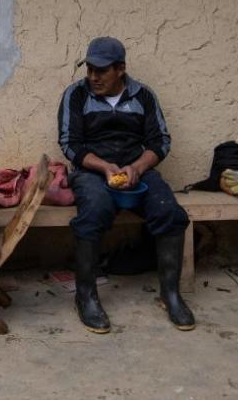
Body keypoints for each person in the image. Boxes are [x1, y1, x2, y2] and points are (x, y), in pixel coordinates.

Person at [57, 36, 195, 333]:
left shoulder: (143, 96)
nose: (93, 77)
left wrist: (137, 167)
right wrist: (104, 167)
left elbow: (160, 142)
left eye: (101, 71)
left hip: (137, 170)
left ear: (120, 69)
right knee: (94, 211)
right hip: (92, 171)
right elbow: (70, 145)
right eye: (90, 69)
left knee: (169, 212)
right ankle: (86, 297)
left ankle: (170, 294)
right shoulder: (76, 95)